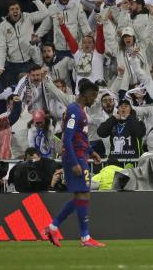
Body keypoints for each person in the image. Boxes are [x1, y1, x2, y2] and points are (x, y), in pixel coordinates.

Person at [44, 81, 105, 248]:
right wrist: (73, 162)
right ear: (86, 94)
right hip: (75, 158)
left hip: (81, 156)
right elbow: (67, 139)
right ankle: (84, 237)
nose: (94, 99)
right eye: (93, 95)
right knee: (83, 195)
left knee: (82, 195)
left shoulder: (80, 111)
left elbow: (80, 138)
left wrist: (91, 151)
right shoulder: (74, 111)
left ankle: (53, 228)